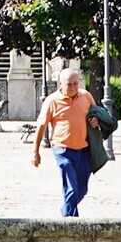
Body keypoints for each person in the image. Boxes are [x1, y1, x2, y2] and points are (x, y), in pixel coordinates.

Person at [32, 66, 98, 216]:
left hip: (84, 149)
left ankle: (65, 209)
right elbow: (41, 126)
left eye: (76, 84)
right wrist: (35, 152)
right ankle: (71, 222)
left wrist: (96, 120)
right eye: (69, 84)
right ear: (60, 84)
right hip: (63, 150)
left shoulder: (86, 96)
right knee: (71, 188)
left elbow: (97, 113)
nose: (74, 88)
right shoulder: (52, 101)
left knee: (81, 189)